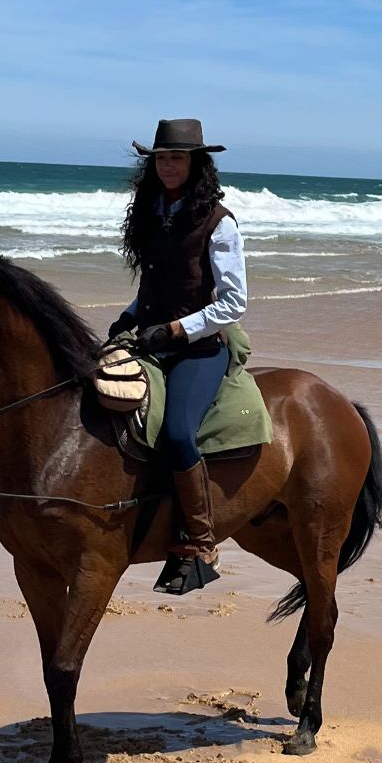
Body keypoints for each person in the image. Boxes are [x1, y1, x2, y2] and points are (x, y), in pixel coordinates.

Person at [113, 117, 246, 594]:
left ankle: (201, 544)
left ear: (196, 163)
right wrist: (129, 318)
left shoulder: (219, 222)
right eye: (161, 158)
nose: (168, 166)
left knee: (176, 433)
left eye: (177, 158)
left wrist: (174, 330)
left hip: (198, 347)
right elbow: (158, 284)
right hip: (148, 334)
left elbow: (234, 303)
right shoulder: (151, 210)